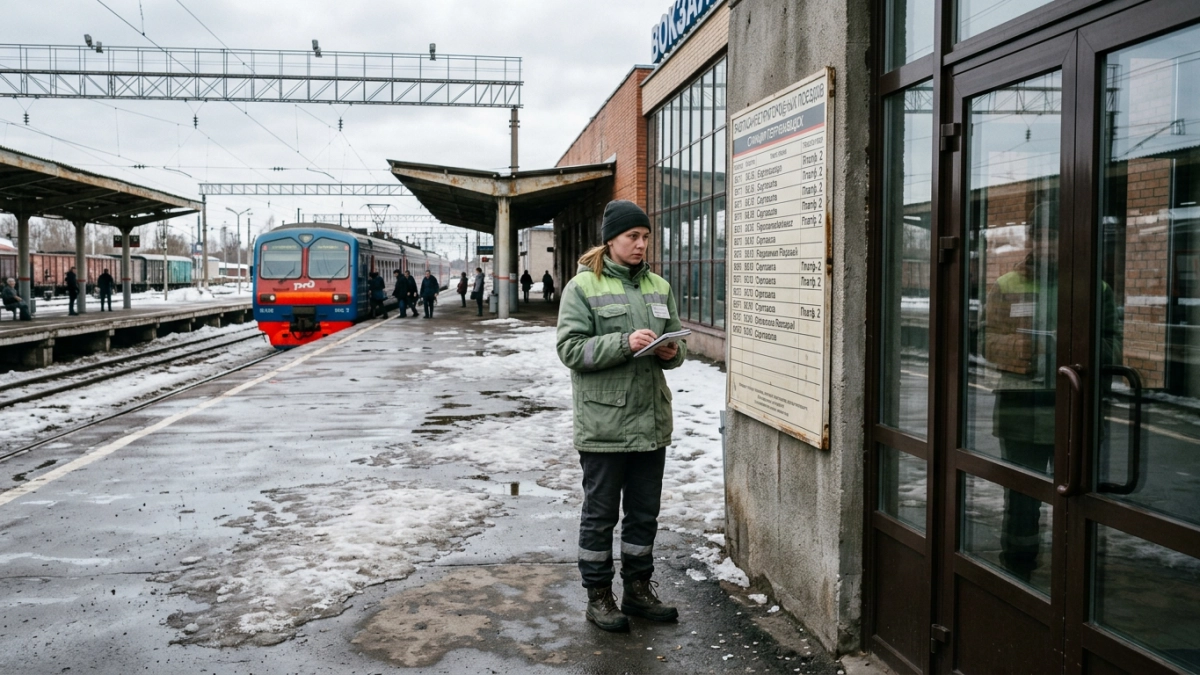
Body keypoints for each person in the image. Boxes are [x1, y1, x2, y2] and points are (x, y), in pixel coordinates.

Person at [555, 200, 686, 632]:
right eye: (633, 236)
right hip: (605, 425)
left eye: (646, 237)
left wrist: (671, 351)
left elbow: (677, 348)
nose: (641, 244)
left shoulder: (659, 286)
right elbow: (570, 350)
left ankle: (638, 589)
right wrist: (623, 343)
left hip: (650, 422)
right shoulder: (582, 287)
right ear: (610, 239)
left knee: (644, 513)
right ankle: (598, 596)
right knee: (601, 515)